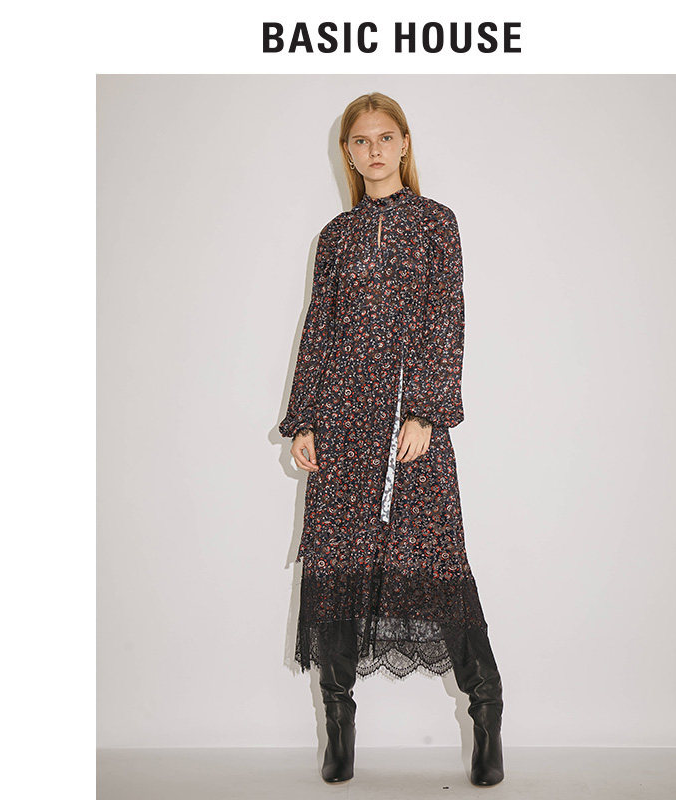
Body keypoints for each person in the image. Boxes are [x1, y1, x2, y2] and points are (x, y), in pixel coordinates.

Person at [279, 92, 504, 786]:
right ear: (347, 153)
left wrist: (427, 413)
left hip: (408, 421)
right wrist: (304, 419)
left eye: (384, 137)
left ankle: (488, 715)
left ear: (404, 143)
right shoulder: (336, 237)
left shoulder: (437, 224)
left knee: (438, 562)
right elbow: (319, 330)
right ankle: (338, 728)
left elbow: (446, 319)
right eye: (360, 140)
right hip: (341, 423)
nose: (373, 150)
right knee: (337, 568)